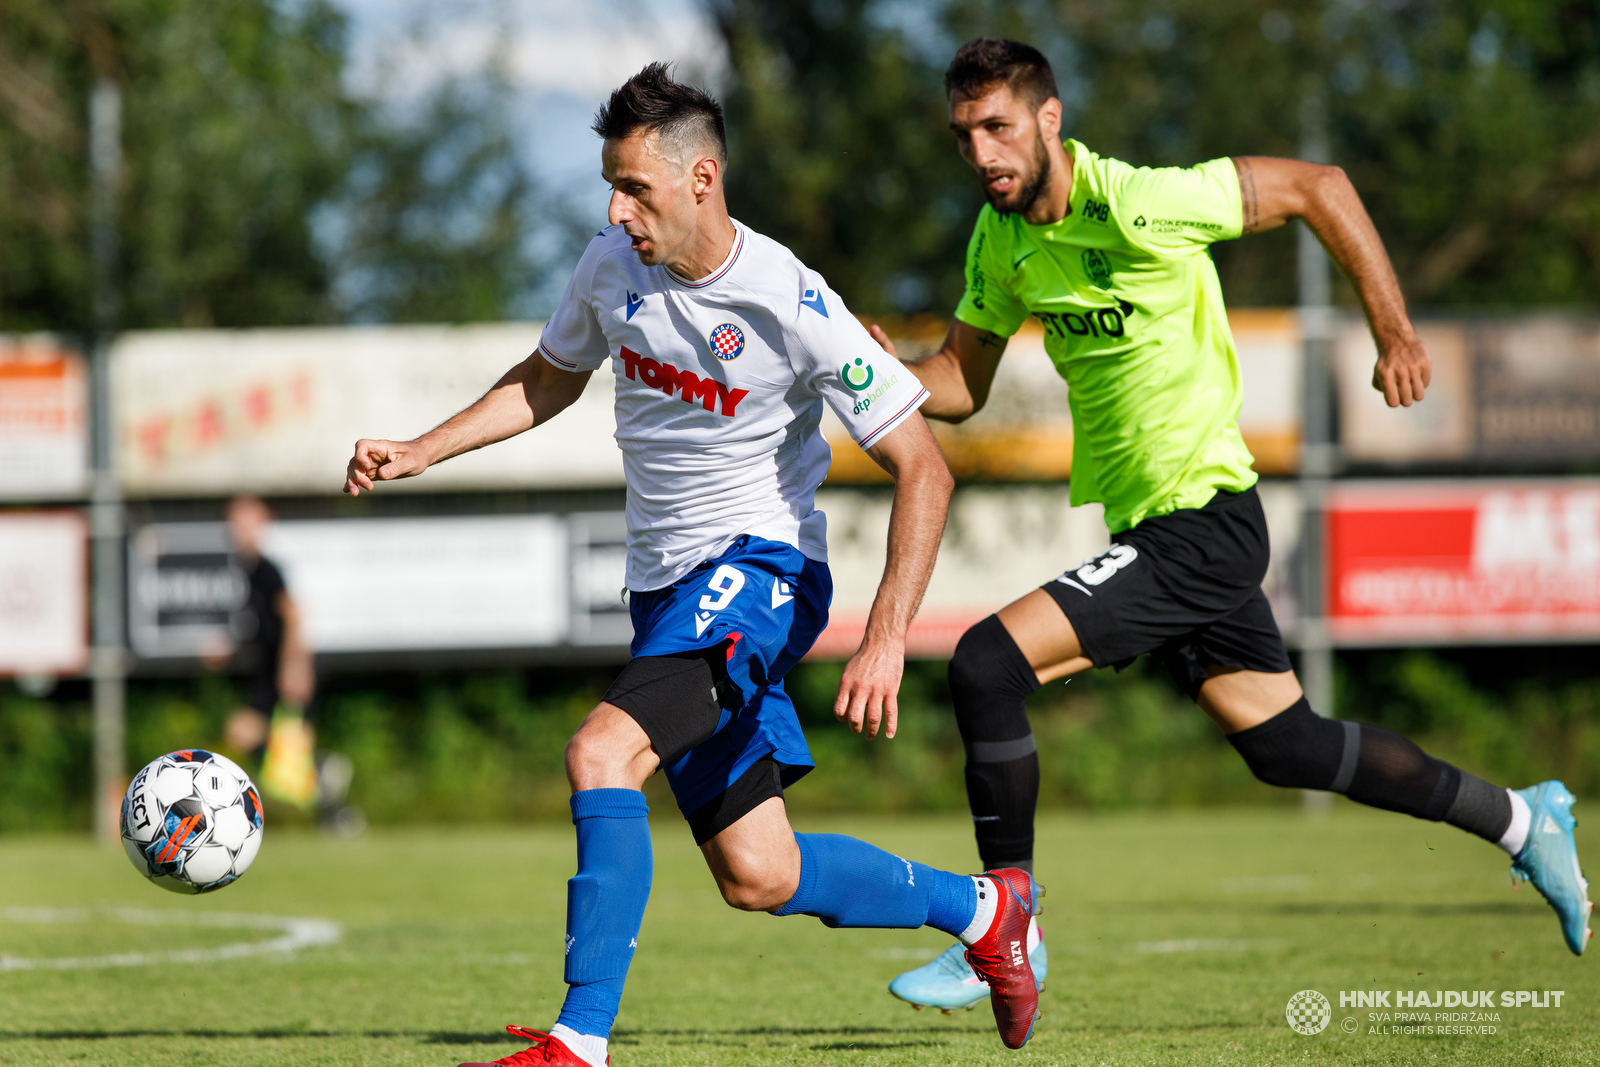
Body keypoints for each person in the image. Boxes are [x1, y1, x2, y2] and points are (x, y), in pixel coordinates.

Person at [343, 65, 1042, 1065]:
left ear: (702, 176)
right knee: (759, 869)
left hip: (760, 573)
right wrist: (421, 447)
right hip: (668, 591)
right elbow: (549, 377)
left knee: (599, 750)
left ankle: (578, 1040)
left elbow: (922, 466)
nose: (616, 209)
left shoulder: (791, 298)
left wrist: (886, 636)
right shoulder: (608, 266)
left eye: (636, 188)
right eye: (610, 186)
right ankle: (984, 910)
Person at [880, 37, 1592, 1012]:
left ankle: (1011, 926)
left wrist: (1393, 329)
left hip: (1202, 522)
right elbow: (957, 383)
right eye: (964, 135)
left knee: (984, 663)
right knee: (1286, 745)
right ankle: (1520, 818)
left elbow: (1319, 186)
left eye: (998, 127)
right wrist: (869, 372)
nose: (981, 153)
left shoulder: (1136, 201)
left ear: (1050, 119)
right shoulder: (997, 242)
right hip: (1160, 527)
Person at [221, 495, 316, 790]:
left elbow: (293, 616)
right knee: (282, 748)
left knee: (276, 742)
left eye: (245, 521)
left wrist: (293, 665)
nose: (238, 529)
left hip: (284, 668)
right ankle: (322, 779)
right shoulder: (245, 568)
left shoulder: (266, 568)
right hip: (271, 669)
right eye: (234, 521)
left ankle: (326, 787)